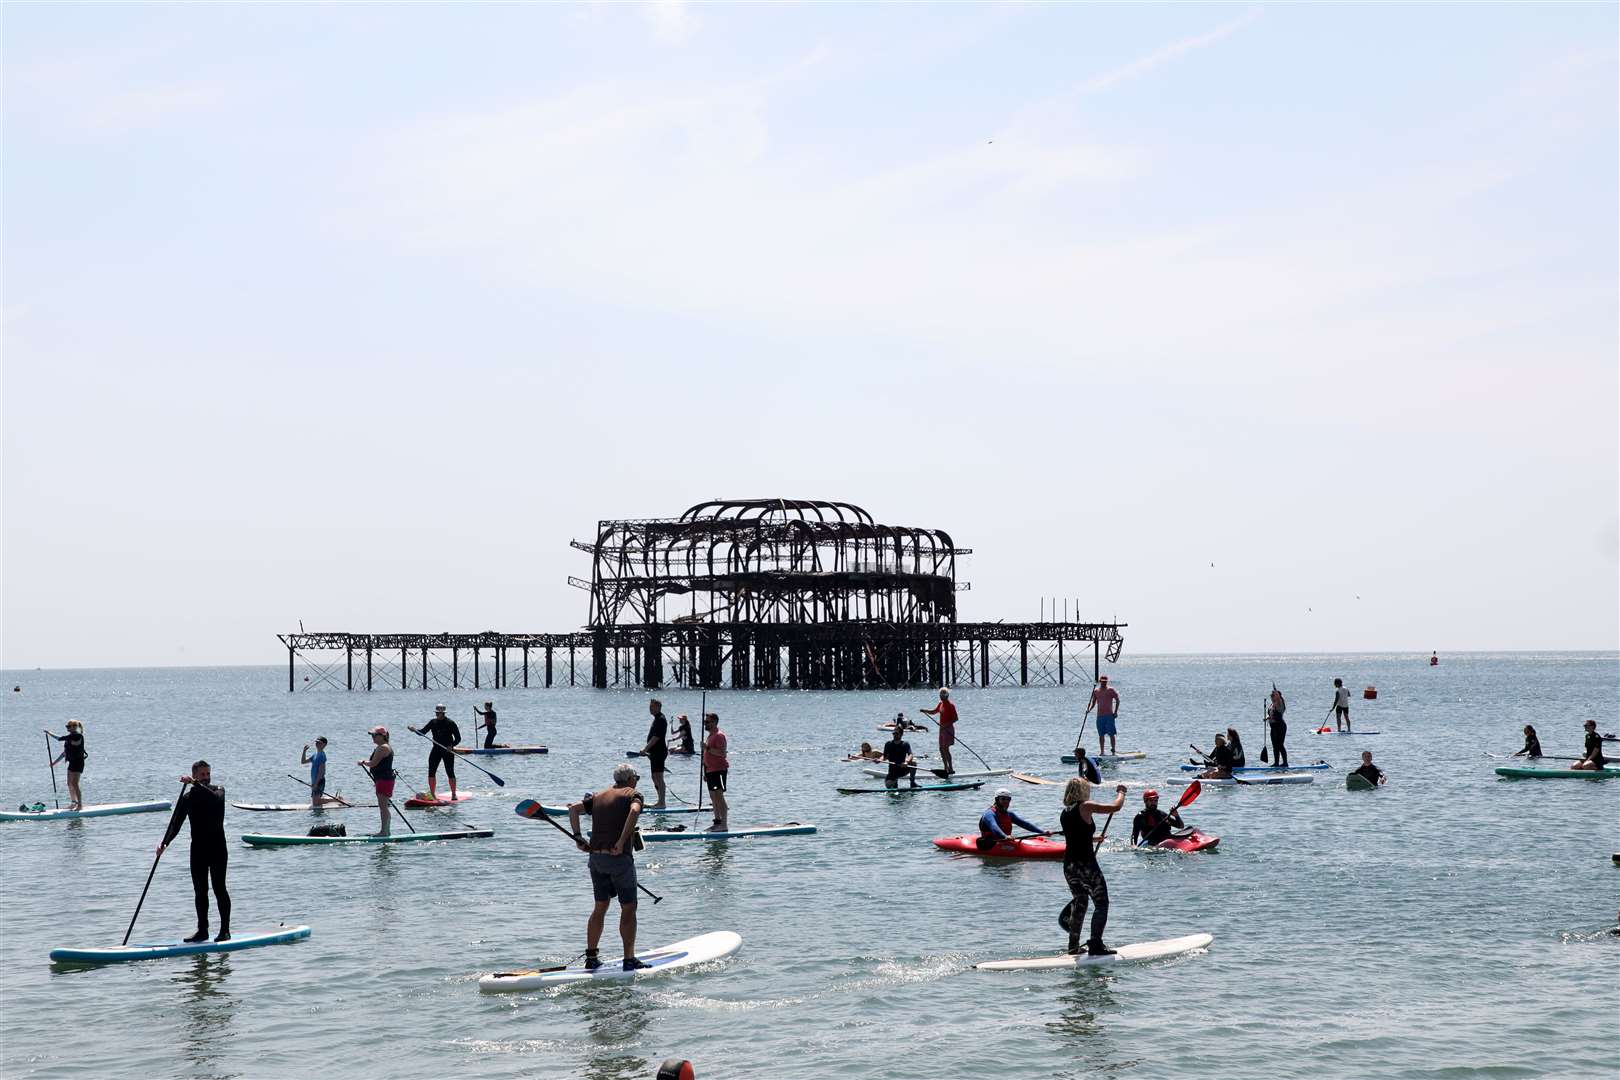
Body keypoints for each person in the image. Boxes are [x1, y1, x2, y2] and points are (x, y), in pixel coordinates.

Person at [567, 763, 648, 971]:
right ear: (630, 779)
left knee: (600, 906)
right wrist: (621, 841)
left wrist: (578, 838)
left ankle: (591, 957)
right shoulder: (633, 794)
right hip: (619, 860)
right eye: (636, 778)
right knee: (628, 908)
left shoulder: (598, 796)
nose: (637, 781)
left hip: (596, 860)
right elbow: (634, 811)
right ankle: (629, 959)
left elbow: (573, 810)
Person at [158, 761, 230, 943]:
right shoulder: (188, 798)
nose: (207, 777)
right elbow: (175, 823)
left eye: (208, 774)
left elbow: (214, 799)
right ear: (195, 774)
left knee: (219, 888)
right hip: (198, 849)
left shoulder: (218, 790)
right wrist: (164, 844)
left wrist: (194, 783)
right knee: (200, 891)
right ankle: (202, 930)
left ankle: (225, 931)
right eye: (202, 774)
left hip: (218, 848)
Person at [1059, 777, 1126, 956]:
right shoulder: (1086, 806)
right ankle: (1095, 944)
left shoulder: (1065, 812)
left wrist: (1094, 838)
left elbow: (1075, 836)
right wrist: (1121, 792)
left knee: (1080, 903)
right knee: (1101, 903)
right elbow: (1115, 807)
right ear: (1082, 790)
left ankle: (1073, 947)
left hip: (1069, 866)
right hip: (1086, 865)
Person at [407, 704, 460, 802]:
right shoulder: (433, 722)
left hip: (447, 750)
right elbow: (422, 732)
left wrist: (451, 746)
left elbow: (458, 738)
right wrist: (414, 730)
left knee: (450, 772)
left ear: (443, 713)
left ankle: (453, 794)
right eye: (436, 713)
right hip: (436, 749)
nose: (437, 714)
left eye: (439, 713)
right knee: (431, 771)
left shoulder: (450, 723)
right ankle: (432, 794)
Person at [359, 726, 395, 836]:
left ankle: (384, 832)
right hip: (383, 779)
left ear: (382, 736)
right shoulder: (382, 746)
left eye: (374, 735)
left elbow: (373, 763)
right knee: (383, 806)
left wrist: (363, 762)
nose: (373, 737)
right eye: (372, 735)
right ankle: (385, 831)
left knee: (383, 807)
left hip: (384, 780)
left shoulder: (383, 747)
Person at [977, 788, 1042, 848]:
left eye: (1008, 799)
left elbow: (1024, 824)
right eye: (1003, 799)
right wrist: (1005, 836)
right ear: (996, 799)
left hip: (1005, 840)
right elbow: (994, 827)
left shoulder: (1009, 814)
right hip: (990, 843)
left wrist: (1042, 832)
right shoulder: (989, 814)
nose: (1006, 801)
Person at [45, 720, 87, 810]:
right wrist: (54, 763)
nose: (67, 728)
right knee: (69, 783)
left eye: (69, 726)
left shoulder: (77, 736)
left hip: (78, 763)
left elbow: (59, 738)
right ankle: (73, 802)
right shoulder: (69, 738)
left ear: (74, 727)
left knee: (75, 783)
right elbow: (65, 753)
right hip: (72, 762)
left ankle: (80, 805)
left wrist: (49, 733)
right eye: (67, 726)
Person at [919, 688, 958, 776]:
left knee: (946, 748)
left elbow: (955, 718)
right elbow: (934, 712)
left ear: (947, 695)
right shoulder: (941, 704)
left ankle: (951, 768)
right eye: (940, 695)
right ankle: (945, 768)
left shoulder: (951, 705)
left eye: (943, 695)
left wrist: (945, 725)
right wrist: (924, 711)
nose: (941, 696)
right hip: (941, 729)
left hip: (948, 729)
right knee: (941, 749)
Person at [701, 713, 729, 830]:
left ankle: (724, 824)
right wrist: (705, 771)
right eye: (704, 722)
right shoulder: (710, 736)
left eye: (707, 722)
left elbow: (722, 753)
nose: (705, 724)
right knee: (713, 797)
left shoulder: (719, 736)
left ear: (714, 722)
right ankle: (717, 822)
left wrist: (707, 748)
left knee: (719, 796)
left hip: (719, 770)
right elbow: (706, 755)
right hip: (710, 771)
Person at [642, 699, 670, 808]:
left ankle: (662, 803)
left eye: (652, 707)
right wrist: (648, 751)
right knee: (654, 777)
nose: (650, 709)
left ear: (658, 707)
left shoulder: (661, 719)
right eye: (650, 706)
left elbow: (656, 737)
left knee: (659, 777)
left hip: (659, 752)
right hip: (654, 753)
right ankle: (659, 801)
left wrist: (645, 749)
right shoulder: (656, 719)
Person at [1088, 676, 1121, 756]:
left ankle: (1113, 751)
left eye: (1105, 681)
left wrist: (1115, 712)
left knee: (1111, 734)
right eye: (1102, 681)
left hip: (1109, 716)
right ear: (1100, 681)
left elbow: (1117, 700)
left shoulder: (1111, 690)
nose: (1104, 683)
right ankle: (1102, 752)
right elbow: (1093, 703)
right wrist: (1089, 710)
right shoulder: (1096, 691)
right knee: (1101, 735)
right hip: (1100, 716)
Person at [1266, 690, 1289, 767]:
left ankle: (1285, 763)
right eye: (1271, 695)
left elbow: (1279, 698)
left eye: (1273, 695)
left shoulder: (1280, 703)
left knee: (1280, 745)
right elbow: (1272, 715)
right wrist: (1267, 718)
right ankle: (1276, 763)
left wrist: (1276, 693)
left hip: (1280, 727)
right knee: (1274, 746)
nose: (1271, 697)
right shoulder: (1272, 705)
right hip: (1273, 727)